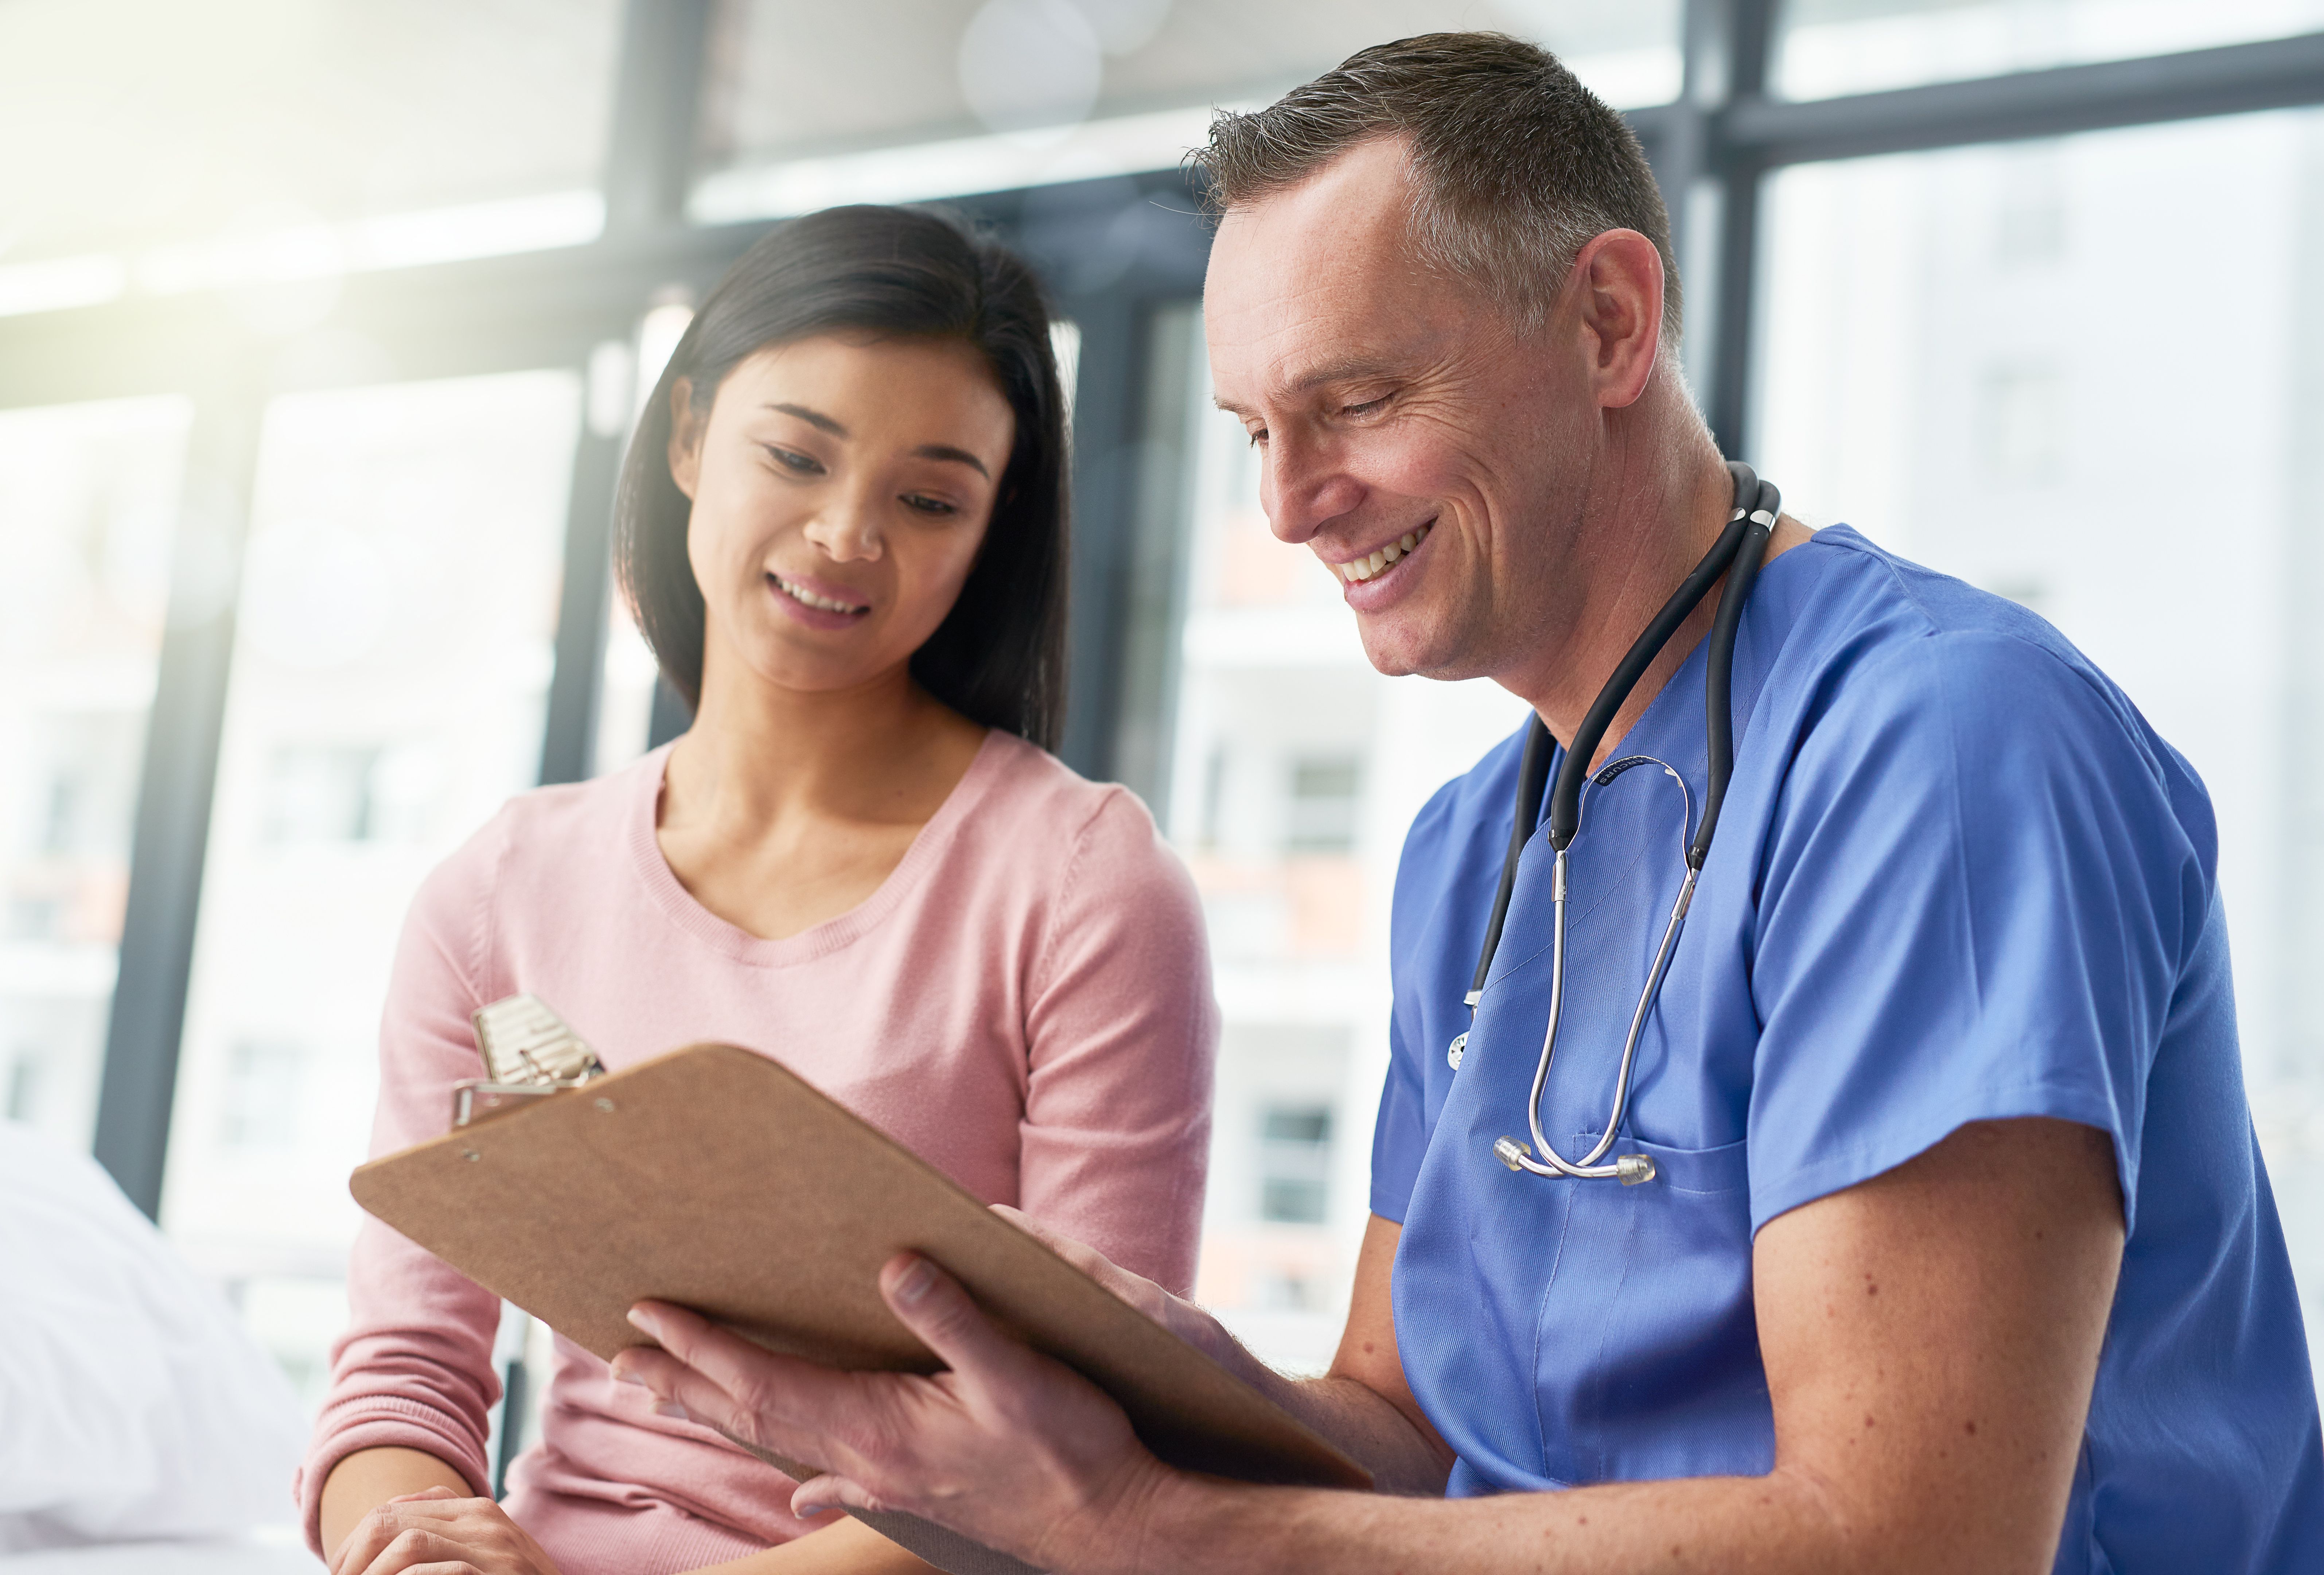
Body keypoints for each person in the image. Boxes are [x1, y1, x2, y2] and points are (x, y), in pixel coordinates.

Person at [611, 34, 2324, 1575]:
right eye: (1254, 430)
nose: (1290, 505)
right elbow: (1409, 1435)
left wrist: (1161, 1533)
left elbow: (1911, 1543)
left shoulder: (1943, 750)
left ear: (1607, 323)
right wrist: (1141, 1385)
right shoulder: (1473, 854)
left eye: (1355, 403)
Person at [302, 205, 1218, 1575]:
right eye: (796, 454)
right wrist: (413, 1541)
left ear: (991, 529)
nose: (848, 535)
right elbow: (402, 1373)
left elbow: (1080, 1453)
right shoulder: (499, 895)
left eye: (930, 497)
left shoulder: (1085, 885)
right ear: (686, 438)